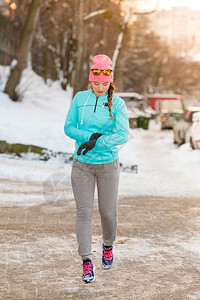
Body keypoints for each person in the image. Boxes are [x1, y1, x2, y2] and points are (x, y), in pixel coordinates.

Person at [64, 54, 129, 283]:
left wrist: (98, 142)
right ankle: (86, 261)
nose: (100, 87)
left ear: (110, 81)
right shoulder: (80, 99)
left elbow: (123, 134)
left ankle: (108, 245)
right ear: (90, 80)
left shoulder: (117, 103)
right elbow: (69, 127)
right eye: (96, 83)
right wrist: (88, 136)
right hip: (82, 166)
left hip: (107, 166)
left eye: (104, 83)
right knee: (83, 214)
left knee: (107, 213)